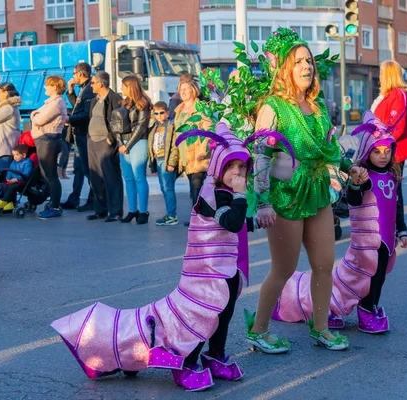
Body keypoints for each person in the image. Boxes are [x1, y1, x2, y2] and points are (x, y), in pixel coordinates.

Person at [51, 123, 283, 391]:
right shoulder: (212, 194)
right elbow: (231, 222)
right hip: (206, 275)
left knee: (223, 315)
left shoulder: (227, 193)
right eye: (232, 167)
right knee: (201, 317)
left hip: (224, 270)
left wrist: (257, 222)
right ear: (219, 167)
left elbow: (234, 226)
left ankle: (215, 355)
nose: (238, 173)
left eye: (243, 168)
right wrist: (243, 195)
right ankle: (186, 362)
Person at [245, 28, 365, 353]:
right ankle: (259, 330)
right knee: (283, 268)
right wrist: (264, 203)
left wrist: (347, 167)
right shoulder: (273, 107)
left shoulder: (319, 107)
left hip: (317, 190)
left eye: (309, 60)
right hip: (284, 195)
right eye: (298, 61)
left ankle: (322, 328)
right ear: (285, 68)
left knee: (325, 263)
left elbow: (330, 149)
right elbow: (260, 156)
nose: (306, 66)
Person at [272, 112, 407, 333]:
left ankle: (370, 306)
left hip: (386, 241)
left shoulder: (394, 176)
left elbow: (398, 205)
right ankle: (342, 308)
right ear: (367, 152)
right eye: (376, 151)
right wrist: (355, 184)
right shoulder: (364, 176)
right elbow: (353, 200)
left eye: (387, 151)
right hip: (366, 245)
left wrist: (401, 230)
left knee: (380, 276)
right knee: (360, 278)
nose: (383, 156)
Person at [371, 60, 407, 241]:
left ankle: (398, 227)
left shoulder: (399, 95)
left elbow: (396, 126)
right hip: (381, 149)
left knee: (392, 189)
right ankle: (389, 224)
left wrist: (381, 143)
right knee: (385, 188)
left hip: (391, 152)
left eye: (381, 72)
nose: (379, 76)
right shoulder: (387, 95)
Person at [112, 75, 151, 224]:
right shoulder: (124, 103)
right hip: (124, 142)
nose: (121, 88)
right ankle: (132, 210)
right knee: (128, 178)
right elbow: (116, 125)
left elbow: (141, 126)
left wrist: (126, 145)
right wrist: (120, 142)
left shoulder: (143, 103)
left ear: (130, 86)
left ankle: (143, 211)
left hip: (138, 142)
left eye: (123, 85)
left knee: (139, 177)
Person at [86, 71, 124, 222]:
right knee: (95, 177)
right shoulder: (95, 99)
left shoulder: (114, 98)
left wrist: (111, 137)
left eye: (93, 83)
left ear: (101, 83)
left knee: (111, 176)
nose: (91, 85)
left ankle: (115, 211)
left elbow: (119, 120)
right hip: (92, 141)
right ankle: (100, 209)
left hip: (105, 141)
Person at [174, 75, 212, 226]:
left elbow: (209, 130)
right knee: (193, 188)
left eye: (186, 89)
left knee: (197, 187)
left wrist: (204, 151)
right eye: (181, 89)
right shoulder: (179, 109)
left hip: (197, 154)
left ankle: (197, 219)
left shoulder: (201, 108)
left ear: (193, 90)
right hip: (184, 154)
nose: (182, 92)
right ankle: (199, 217)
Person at [30, 75, 68, 220]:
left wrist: (34, 115)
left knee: (51, 175)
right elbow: (36, 115)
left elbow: (39, 119)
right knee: (46, 173)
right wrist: (35, 114)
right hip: (44, 139)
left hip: (49, 140)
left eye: (48, 85)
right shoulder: (50, 103)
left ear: (55, 87)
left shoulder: (56, 103)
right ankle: (53, 203)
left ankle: (55, 207)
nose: (45, 87)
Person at [62, 62, 95, 212]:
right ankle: (74, 198)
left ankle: (93, 199)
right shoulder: (83, 88)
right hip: (79, 133)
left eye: (74, 73)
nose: (73, 76)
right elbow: (77, 106)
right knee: (78, 168)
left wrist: (70, 119)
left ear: (80, 74)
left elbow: (86, 114)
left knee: (87, 169)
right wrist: (70, 91)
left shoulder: (89, 90)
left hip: (84, 134)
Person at [147, 101, 179, 226]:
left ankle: (172, 215)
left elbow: (175, 146)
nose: (159, 115)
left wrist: (171, 163)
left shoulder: (171, 125)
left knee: (168, 188)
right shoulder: (154, 126)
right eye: (156, 113)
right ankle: (170, 214)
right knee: (164, 188)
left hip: (166, 160)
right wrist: (152, 165)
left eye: (162, 113)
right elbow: (151, 146)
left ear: (167, 113)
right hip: (158, 160)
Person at [0, 144, 33, 212]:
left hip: (22, 180)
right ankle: (9, 202)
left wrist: (17, 179)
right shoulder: (13, 162)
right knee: (3, 185)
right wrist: (8, 178)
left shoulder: (27, 162)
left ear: (24, 155)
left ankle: (5, 200)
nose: (15, 157)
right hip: (12, 180)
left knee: (11, 186)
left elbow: (26, 173)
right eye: (14, 155)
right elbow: (10, 171)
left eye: (17, 155)